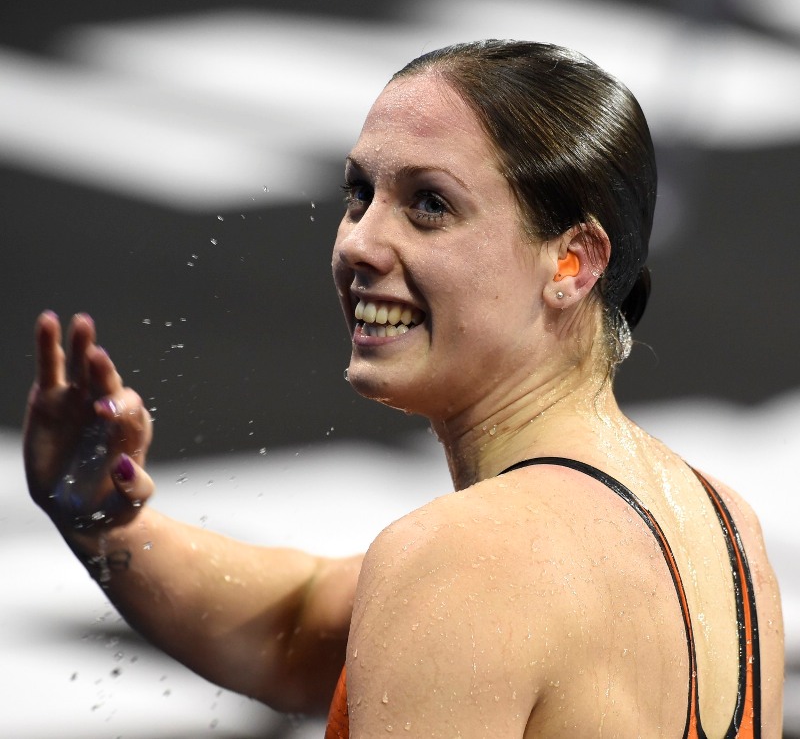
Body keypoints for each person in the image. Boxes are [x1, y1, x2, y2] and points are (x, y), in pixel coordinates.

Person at [23, 40, 783, 737]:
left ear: (571, 264)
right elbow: (293, 631)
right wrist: (100, 517)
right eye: (361, 193)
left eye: (429, 204)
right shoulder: (722, 530)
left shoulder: (465, 561)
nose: (358, 240)